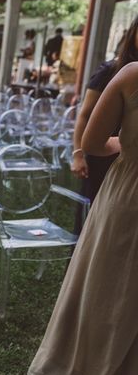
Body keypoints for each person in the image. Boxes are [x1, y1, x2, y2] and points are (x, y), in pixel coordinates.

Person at [28, 60, 138, 375]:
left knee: (110, 286)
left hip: (130, 196)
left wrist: (125, 143)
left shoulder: (130, 74)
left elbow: (92, 143)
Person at [71, 15, 138, 233]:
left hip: (126, 152)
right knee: (94, 217)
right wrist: (78, 154)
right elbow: (85, 115)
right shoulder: (112, 71)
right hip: (105, 153)